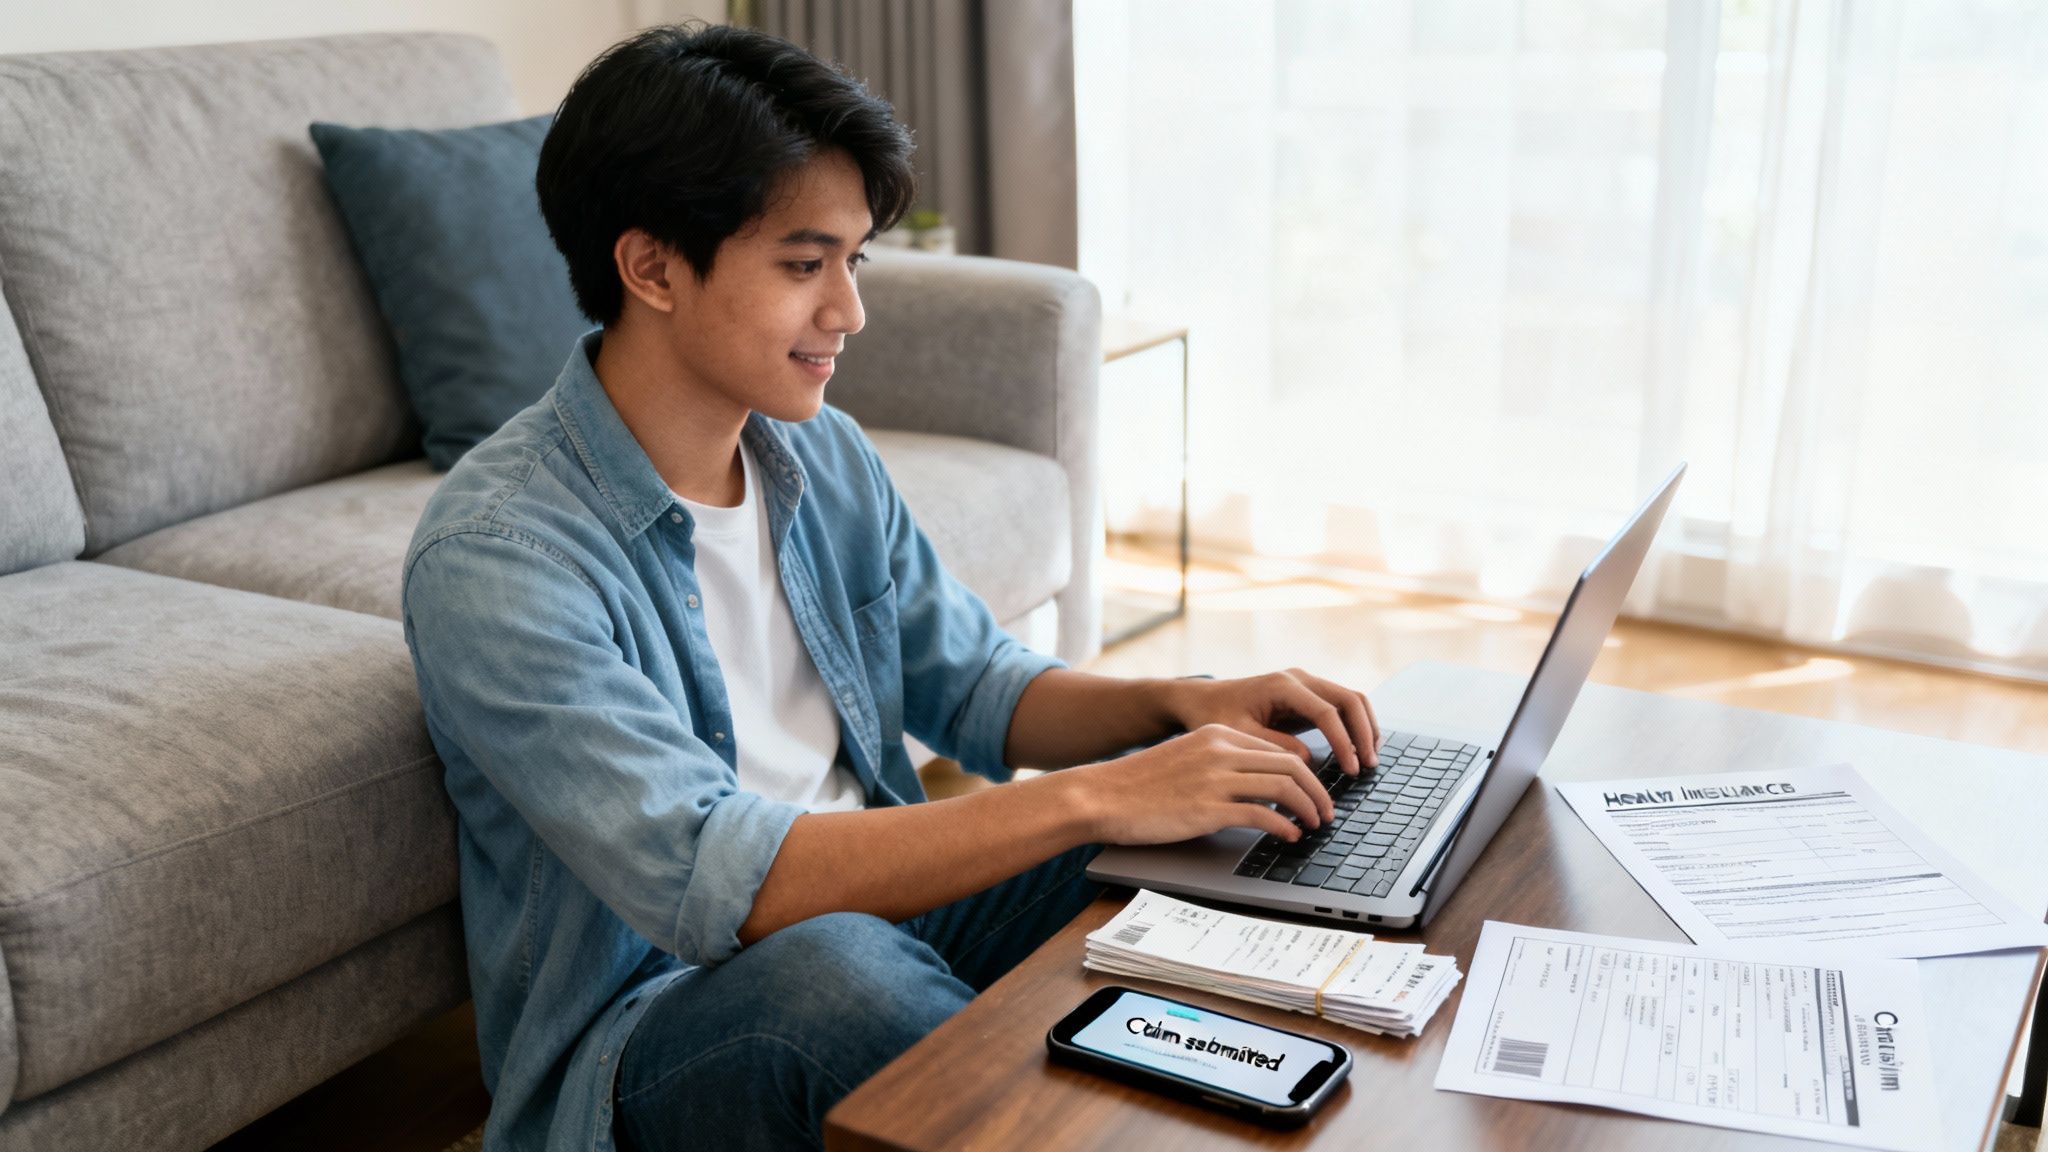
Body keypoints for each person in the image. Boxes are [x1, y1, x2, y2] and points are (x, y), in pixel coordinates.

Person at [401, 22, 1382, 1152]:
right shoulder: (500, 556)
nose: (849, 313)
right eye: (802, 264)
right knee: (845, 968)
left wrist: (1177, 712)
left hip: (866, 925)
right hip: (660, 1031)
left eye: (852, 261)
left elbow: (977, 686)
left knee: (1218, 809)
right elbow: (726, 884)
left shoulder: (816, 454)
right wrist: (1098, 793)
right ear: (651, 266)